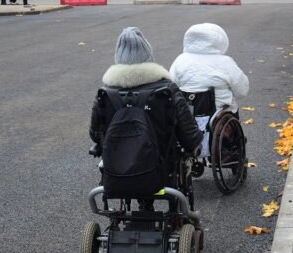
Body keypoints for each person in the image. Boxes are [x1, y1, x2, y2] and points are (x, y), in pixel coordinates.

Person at [88, 27, 202, 189]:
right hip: (162, 167)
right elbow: (189, 133)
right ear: (148, 57)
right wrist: (194, 144)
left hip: (117, 168)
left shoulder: (106, 93)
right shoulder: (166, 89)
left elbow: (95, 134)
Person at [169, 23, 249, 115]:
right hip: (219, 116)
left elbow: (171, 86)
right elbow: (242, 91)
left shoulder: (180, 60)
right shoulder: (226, 62)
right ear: (220, 41)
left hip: (185, 115)